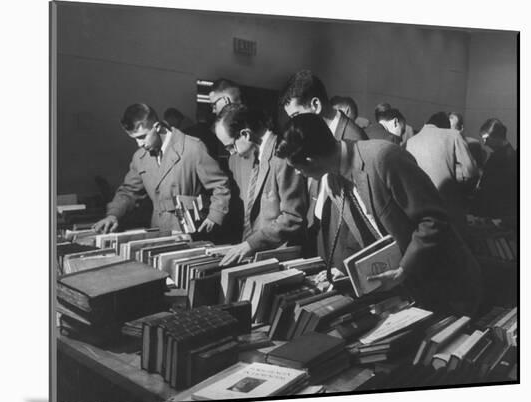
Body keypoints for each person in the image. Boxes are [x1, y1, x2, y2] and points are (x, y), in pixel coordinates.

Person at [276, 113, 482, 315]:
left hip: (447, 283)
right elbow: (360, 234)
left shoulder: (385, 158)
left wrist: (403, 269)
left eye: (296, 167)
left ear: (311, 160)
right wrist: (346, 271)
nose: (297, 173)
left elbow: (434, 219)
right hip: (411, 290)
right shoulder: (332, 180)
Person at [92, 103, 231, 234]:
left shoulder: (192, 148)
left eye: (142, 137)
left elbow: (220, 185)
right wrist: (113, 214)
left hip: (190, 229)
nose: (139, 144)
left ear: (157, 127)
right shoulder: (140, 157)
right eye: (134, 138)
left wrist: (215, 216)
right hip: (158, 228)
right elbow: (128, 191)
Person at [280, 70, 368, 254]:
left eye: (296, 116)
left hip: (343, 241)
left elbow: (361, 214)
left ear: (315, 105)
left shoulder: (353, 137)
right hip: (321, 229)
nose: (295, 124)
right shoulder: (313, 138)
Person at [214, 104, 307, 265]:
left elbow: (293, 217)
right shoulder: (256, 156)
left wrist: (250, 244)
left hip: (279, 256)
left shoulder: (282, 156)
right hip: (259, 254)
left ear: (245, 134)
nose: (231, 153)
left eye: (230, 146)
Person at [406, 112, 478, 235]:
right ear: (444, 126)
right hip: (449, 206)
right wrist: (456, 173)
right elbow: (471, 171)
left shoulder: (410, 142)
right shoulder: (453, 135)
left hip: (421, 208)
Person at [471, 118, 517, 222]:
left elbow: (498, 189)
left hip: (495, 214)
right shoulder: (505, 154)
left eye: (486, 139)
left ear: (497, 137)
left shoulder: (506, 157)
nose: (485, 143)